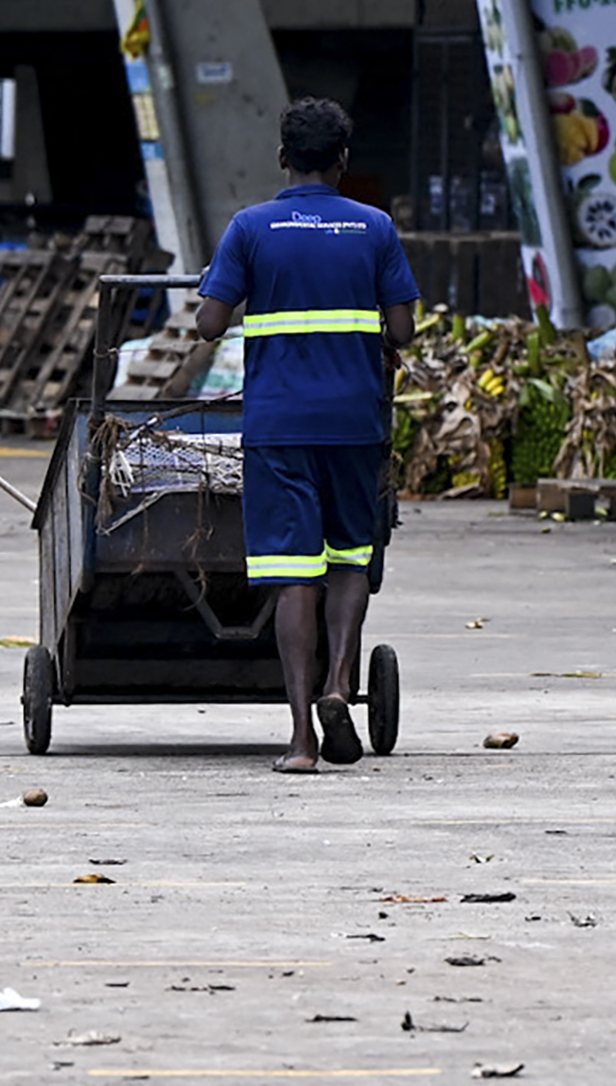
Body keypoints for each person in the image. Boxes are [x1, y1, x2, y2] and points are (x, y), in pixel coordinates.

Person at [194, 98, 419, 773]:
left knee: (295, 574)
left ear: (282, 157)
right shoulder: (374, 228)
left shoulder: (250, 228)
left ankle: (300, 742)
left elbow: (209, 324)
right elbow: (403, 331)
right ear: (344, 161)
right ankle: (339, 684)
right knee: (351, 558)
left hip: (279, 425)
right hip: (355, 423)